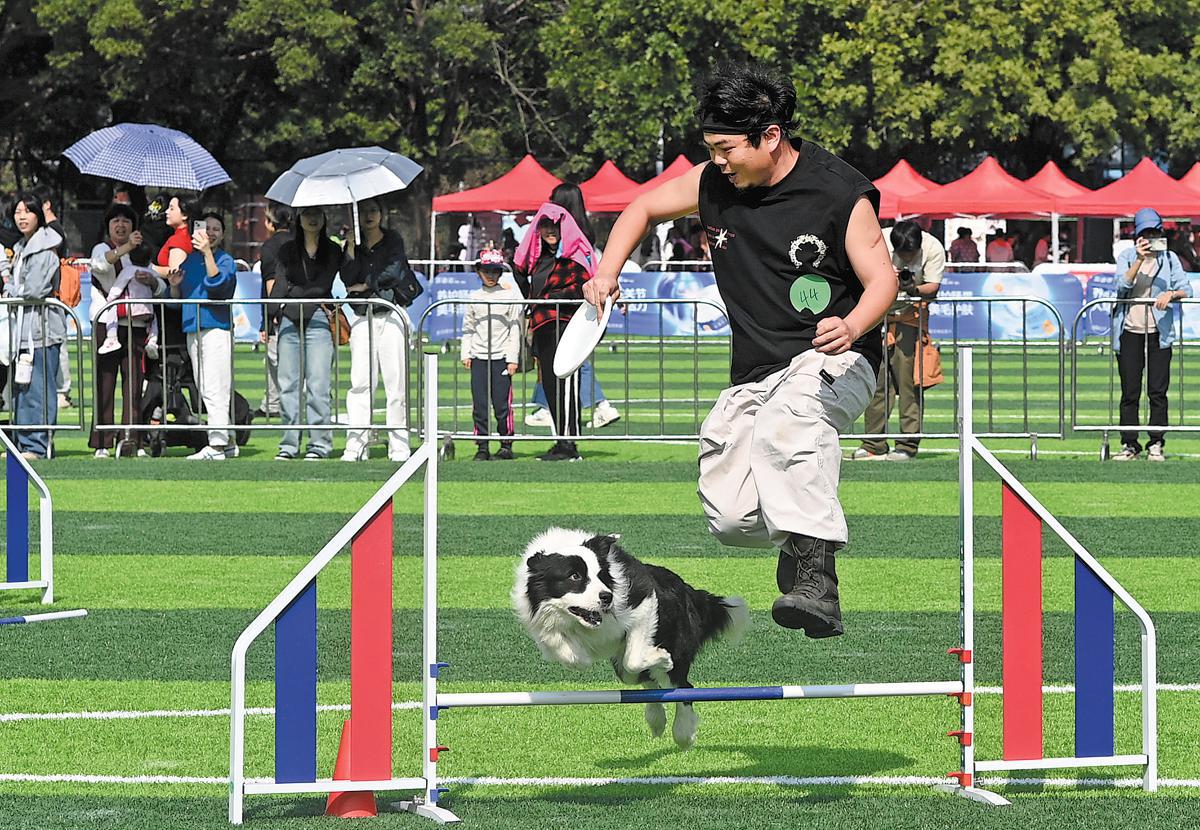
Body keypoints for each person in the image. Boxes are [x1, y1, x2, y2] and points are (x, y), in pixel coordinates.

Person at [582, 63, 895, 638]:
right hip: (757, 371)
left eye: (726, 149)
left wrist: (851, 325)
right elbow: (641, 208)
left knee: (789, 421)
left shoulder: (838, 191)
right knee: (730, 515)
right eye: (712, 149)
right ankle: (798, 538)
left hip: (837, 359)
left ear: (770, 137)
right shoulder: (711, 183)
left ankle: (818, 583)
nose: (718, 162)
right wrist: (606, 272)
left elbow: (884, 281)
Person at [523, 183, 621, 431]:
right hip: (559, 318)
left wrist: (544, 296)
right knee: (562, 376)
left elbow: (575, 281)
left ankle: (569, 436)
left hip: (562, 318)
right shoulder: (579, 237)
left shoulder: (571, 243)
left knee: (566, 377)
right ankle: (566, 431)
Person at [853, 220, 944, 461]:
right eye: (900, 254)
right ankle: (873, 444)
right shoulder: (876, 240)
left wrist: (913, 288)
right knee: (876, 384)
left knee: (908, 385)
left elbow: (933, 287)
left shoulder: (933, 247)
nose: (904, 258)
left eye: (909, 254)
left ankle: (907, 445)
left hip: (909, 319)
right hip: (876, 317)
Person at [1110, 208, 1193, 461]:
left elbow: (1186, 288)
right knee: (1130, 391)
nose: (1149, 238)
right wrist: (1138, 259)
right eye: (1144, 233)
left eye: (1154, 232)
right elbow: (1121, 286)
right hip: (1130, 330)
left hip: (1160, 332)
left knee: (1158, 390)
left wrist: (1171, 294)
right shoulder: (1126, 256)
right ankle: (1129, 444)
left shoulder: (1169, 259)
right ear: (1136, 235)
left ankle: (1156, 442)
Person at [512, 204, 593, 461]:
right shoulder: (539, 259)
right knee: (550, 384)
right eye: (545, 226)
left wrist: (547, 298)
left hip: (566, 328)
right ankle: (561, 440)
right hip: (544, 328)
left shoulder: (575, 257)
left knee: (566, 385)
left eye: (554, 226)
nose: (550, 231)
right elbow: (521, 275)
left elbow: (579, 288)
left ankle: (570, 443)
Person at [340, 198, 416, 463]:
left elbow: (394, 272)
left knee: (396, 384)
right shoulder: (355, 246)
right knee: (360, 382)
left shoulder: (393, 239)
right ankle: (356, 444)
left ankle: (399, 445)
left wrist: (366, 284)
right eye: (365, 211)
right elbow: (347, 278)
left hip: (391, 314)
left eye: (374, 210)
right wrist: (349, 247)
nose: (369, 215)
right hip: (363, 317)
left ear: (382, 214)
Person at [87, 202, 166, 457]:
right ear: (108, 226)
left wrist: (152, 280)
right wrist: (125, 248)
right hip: (107, 323)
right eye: (115, 221)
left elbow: (160, 287)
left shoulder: (142, 250)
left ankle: (133, 439)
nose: (121, 225)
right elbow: (99, 266)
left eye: (126, 221)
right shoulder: (104, 247)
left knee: (134, 385)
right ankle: (102, 442)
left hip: (137, 325)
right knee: (105, 383)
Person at [270, 206, 340, 460]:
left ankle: (319, 445)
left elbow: (330, 281)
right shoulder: (287, 250)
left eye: (317, 214)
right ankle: (289, 445)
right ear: (298, 219)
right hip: (289, 317)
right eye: (307, 214)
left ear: (324, 218)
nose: (312, 219)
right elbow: (279, 283)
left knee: (319, 384)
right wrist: (267, 321)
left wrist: (352, 249)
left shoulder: (333, 250)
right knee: (287, 385)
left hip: (320, 315)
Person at [167, 211, 237, 460]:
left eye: (216, 228)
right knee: (206, 386)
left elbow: (219, 287)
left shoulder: (225, 259)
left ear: (223, 234)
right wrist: (174, 284)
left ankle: (217, 444)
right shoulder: (189, 261)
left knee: (215, 387)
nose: (210, 232)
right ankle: (226, 441)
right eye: (205, 228)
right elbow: (176, 301)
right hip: (193, 328)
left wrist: (208, 253)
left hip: (215, 327)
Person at [4, 193, 68, 458]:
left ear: (39, 216)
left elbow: (34, 289)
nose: (22, 216)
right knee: (21, 388)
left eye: (27, 211)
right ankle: (22, 443)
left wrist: (10, 288)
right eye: (17, 212)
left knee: (37, 388)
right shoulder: (21, 246)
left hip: (41, 329)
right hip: (24, 328)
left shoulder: (43, 247)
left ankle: (37, 446)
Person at [461, 248, 522, 460]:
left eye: (495, 271)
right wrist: (465, 353)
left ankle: (506, 444)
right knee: (480, 404)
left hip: (501, 358)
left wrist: (512, 359)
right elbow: (468, 328)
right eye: (486, 270)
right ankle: (482, 446)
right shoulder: (474, 297)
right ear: (478, 271)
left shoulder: (510, 294)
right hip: (478, 357)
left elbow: (515, 328)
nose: (491, 275)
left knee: (502, 404)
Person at [256, 204, 292, 419]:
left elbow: (271, 283)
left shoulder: (270, 246)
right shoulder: (298, 240)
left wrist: (267, 321)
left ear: (271, 223)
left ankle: (276, 403)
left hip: (279, 310)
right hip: (299, 306)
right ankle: (271, 402)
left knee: (276, 360)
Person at [97, 242, 160, 358]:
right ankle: (152, 340)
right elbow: (159, 281)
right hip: (147, 309)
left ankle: (112, 338)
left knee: (112, 309)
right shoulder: (150, 272)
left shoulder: (129, 270)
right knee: (154, 322)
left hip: (129, 308)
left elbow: (119, 285)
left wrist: (110, 299)